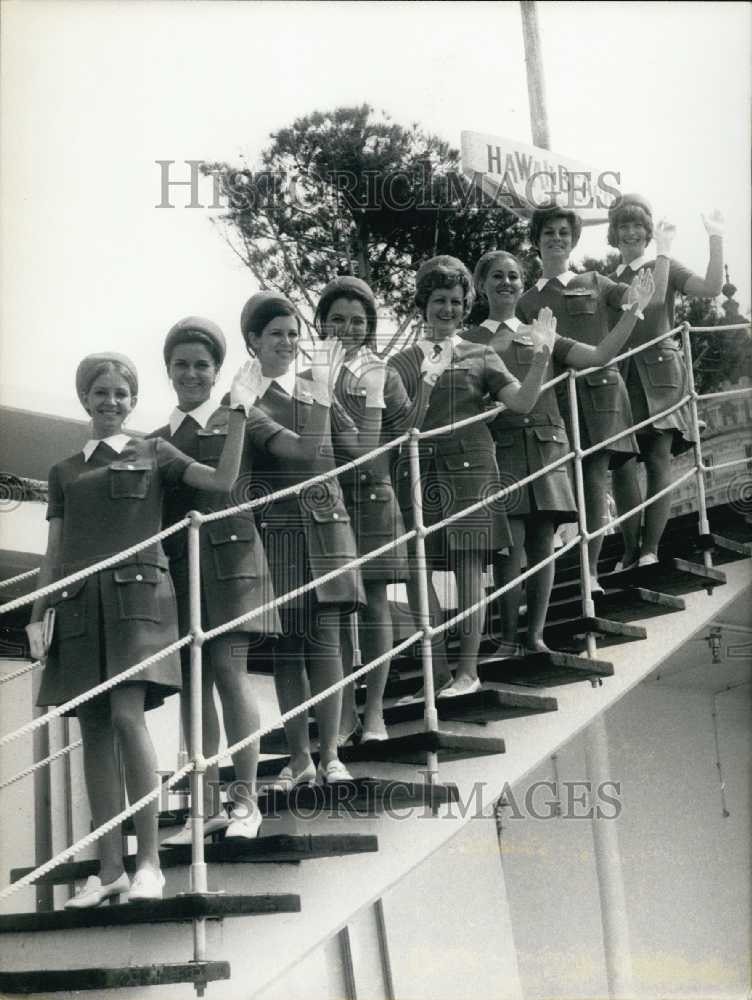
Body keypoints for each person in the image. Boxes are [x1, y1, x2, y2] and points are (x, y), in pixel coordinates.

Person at [25, 351, 254, 908]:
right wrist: (36, 614)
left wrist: (239, 413)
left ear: (133, 401)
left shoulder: (154, 451)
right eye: (100, 392)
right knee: (93, 732)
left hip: (139, 602)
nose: (111, 402)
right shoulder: (63, 471)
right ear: (85, 398)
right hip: (79, 607)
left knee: (128, 717)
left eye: (121, 394)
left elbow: (222, 481)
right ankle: (109, 870)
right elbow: (55, 552)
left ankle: (149, 863)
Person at [464, 251, 655, 653]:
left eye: (514, 276)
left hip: (547, 447)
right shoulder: (468, 341)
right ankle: (508, 640)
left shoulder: (541, 331)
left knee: (541, 544)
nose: (506, 282)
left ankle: (535, 636)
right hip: (500, 449)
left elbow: (599, 357)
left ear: (522, 284)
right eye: (497, 276)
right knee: (510, 547)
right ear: (481, 285)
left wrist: (632, 312)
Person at [388, 255, 557, 698]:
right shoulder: (400, 363)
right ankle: (437, 674)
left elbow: (521, 403)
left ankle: (468, 671)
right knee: (417, 572)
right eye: (439, 301)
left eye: (456, 302)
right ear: (423, 306)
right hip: (419, 472)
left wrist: (541, 357)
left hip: (472, 469)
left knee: (469, 569)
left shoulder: (480, 353)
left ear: (466, 307)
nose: (448, 309)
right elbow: (397, 427)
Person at [148, 318, 281, 847]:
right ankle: (201, 811)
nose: (191, 374)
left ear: (217, 369)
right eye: (181, 364)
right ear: (168, 370)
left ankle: (247, 802)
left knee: (229, 673)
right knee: (193, 688)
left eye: (201, 365)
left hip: (233, 561)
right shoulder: (155, 441)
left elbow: (299, 455)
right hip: (181, 569)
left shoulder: (240, 415)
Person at [239, 292, 365, 788]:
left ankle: (330, 754)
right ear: (254, 340)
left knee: (327, 640)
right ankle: (299, 758)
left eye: (293, 334)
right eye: (276, 334)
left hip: (329, 525)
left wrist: (358, 392)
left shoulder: (316, 384)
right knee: (290, 647)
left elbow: (358, 449)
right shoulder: (246, 402)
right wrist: (324, 393)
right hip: (281, 531)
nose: (288, 342)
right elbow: (303, 453)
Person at [516, 205, 656, 592]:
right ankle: (587, 570)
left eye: (564, 232)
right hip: (561, 396)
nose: (557, 238)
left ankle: (627, 556)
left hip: (606, 389)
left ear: (574, 239)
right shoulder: (526, 302)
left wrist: (644, 279)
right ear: (536, 240)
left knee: (617, 471)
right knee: (583, 479)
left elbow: (636, 297)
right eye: (549, 232)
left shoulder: (596, 280)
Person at [314, 277, 411, 744]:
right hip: (326, 502)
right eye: (337, 319)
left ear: (370, 326)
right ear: (322, 323)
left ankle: (375, 713)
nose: (347, 329)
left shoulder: (383, 373)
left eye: (357, 321)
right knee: (334, 608)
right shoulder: (306, 371)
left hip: (373, 496)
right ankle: (343, 714)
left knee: (374, 602)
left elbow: (406, 432)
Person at [606, 194, 725, 568]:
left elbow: (710, 288)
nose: (630, 233)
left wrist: (715, 237)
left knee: (658, 459)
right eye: (623, 226)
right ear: (614, 233)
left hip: (661, 373)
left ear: (648, 232)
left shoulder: (665, 264)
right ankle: (629, 549)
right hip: (622, 377)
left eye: (638, 226)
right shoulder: (608, 280)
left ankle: (649, 549)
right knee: (623, 464)